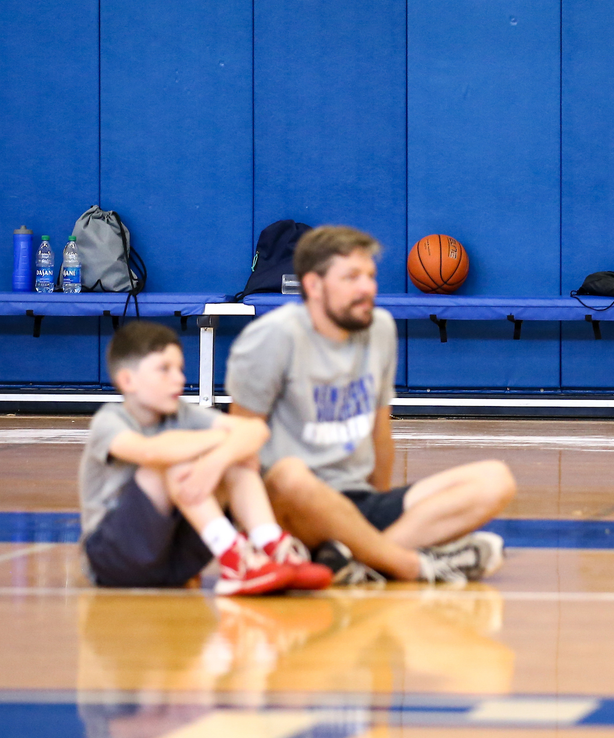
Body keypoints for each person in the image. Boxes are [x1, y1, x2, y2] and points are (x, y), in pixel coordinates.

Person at [226, 225, 516, 585]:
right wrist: (256, 535)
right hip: (289, 506)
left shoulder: (379, 329)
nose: (367, 288)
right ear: (314, 286)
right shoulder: (271, 338)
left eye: (370, 276)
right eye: (351, 277)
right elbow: (238, 449)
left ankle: (358, 560)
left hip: (356, 500)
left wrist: (380, 507)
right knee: (290, 475)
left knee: (494, 480)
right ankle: (409, 564)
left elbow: (380, 433)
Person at [79, 321, 331, 594]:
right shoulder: (109, 420)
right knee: (177, 461)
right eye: (164, 369)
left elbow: (256, 430)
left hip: (174, 562)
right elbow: (151, 451)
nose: (179, 379)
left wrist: (220, 459)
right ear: (128, 380)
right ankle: (234, 555)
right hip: (114, 559)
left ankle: (270, 546)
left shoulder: (183, 413)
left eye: (180, 369)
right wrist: (220, 446)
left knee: (234, 459)